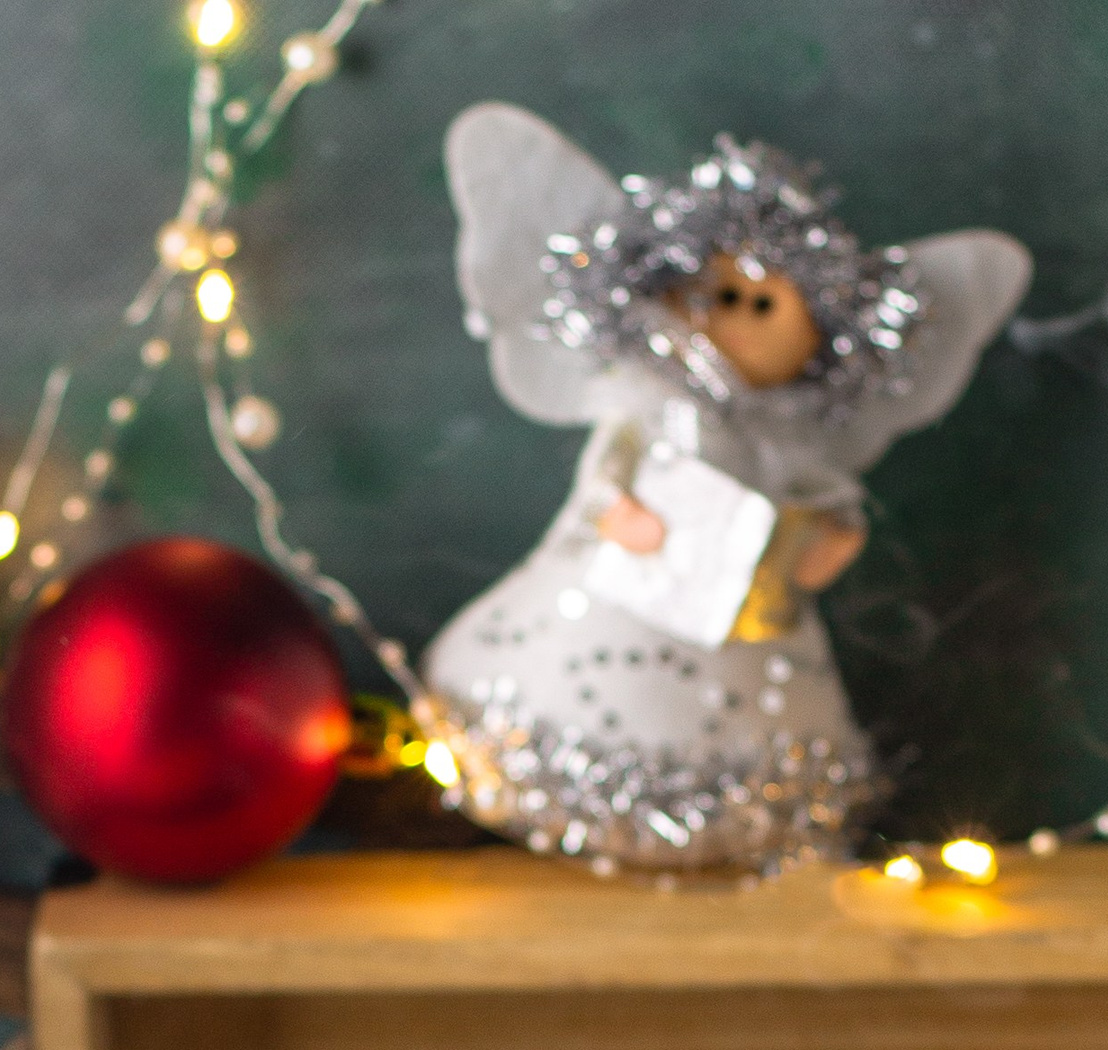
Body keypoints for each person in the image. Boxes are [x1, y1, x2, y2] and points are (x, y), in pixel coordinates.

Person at [426, 104, 1030, 871]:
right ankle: (552, 783)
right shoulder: (643, 401)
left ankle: (737, 820)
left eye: (767, 303)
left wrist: (829, 541)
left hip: (752, 623)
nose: (739, 318)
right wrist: (619, 515)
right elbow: (609, 474)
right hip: (617, 594)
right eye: (722, 295)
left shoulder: (792, 438)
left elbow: (827, 502)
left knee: (761, 727)